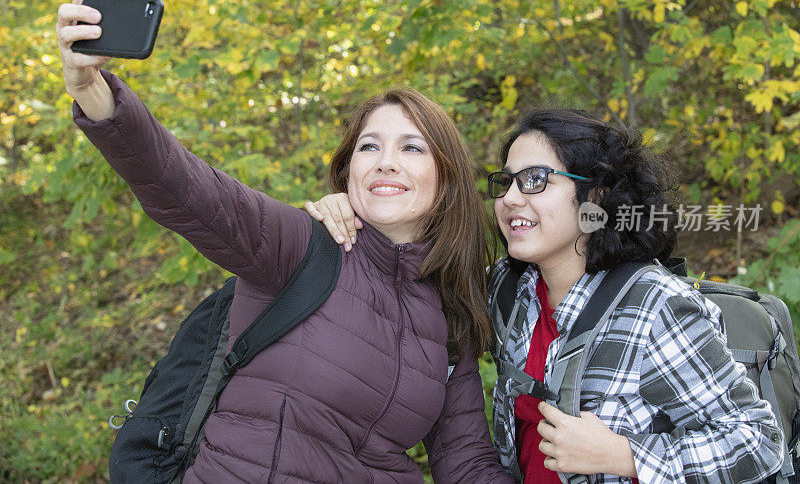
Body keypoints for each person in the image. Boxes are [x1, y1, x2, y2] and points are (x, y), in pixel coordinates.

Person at [57, 0, 513, 483]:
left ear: (446, 179)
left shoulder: (449, 315)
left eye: (411, 148)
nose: (385, 162)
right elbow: (183, 187)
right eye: (368, 147)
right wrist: (92, 90)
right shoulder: (302, 246)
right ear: (347, 171)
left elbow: (466, 464)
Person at [306, 109, 785, 483]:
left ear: (595, 196)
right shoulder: (509, 293)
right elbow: (413, 284)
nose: (512, 198)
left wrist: (625, 456)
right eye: (507, 181)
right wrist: (351, 211)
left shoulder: (655, 306)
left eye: (535, 180)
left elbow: (760, 442)